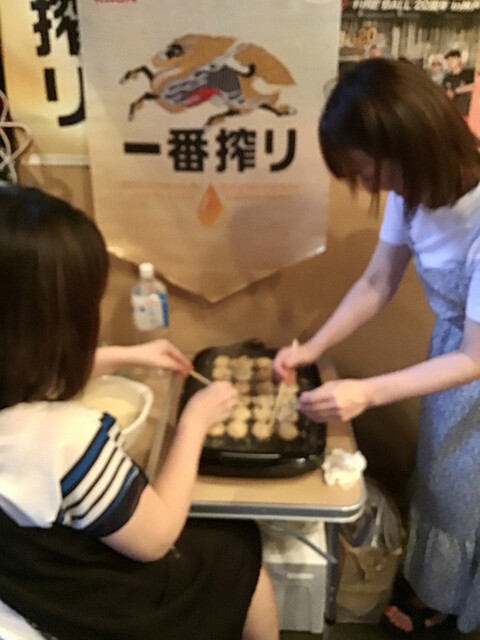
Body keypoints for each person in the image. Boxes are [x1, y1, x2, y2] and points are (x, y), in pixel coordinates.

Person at [0, 184, 279, 640]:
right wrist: (194, 422)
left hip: (39, 585)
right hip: (102, 607)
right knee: (236, 546)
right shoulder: (65, 441)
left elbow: (28, 376)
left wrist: (126, 356)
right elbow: (157, 538)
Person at [274, 58, 480, 635]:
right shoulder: (413, 190)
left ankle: (455, 616)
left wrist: (364, 392)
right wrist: (311, 348)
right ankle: (438, 600)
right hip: (455, 353)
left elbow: (475, 358)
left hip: (470, 359)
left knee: (464, 496)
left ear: (409, 144)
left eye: (368, 172)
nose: (369, 188)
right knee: (442, 484)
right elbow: (377, 281)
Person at [443, 49, 475, 118]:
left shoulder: (469, 73)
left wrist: (457, 90)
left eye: (452, 59)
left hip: (468, 112)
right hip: (453, 113)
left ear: (459, 59)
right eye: (448, 60)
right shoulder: (447, 78)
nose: (450, 62)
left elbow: (475, 86)